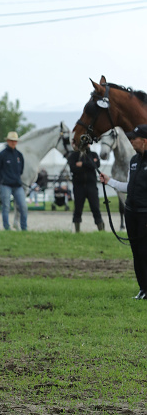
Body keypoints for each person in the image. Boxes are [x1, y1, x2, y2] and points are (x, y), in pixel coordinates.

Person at [99, 123, 147, 299]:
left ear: (144, 141)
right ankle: (143, 288)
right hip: (132, 212)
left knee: (145, 251)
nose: (131, 141)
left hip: (145, 213)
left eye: (134, 138)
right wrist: (109, 181)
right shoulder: (134, 161)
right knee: (136, 252)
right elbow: (129, 187)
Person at [0, 131, 28, 231]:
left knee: (23, 207)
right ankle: (6, 228)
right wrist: (1, 181)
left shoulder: (19, 155)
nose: (13, 143)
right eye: (11, 141)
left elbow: (21, 170)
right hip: (5, 185)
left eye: (15, 141)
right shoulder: (1, 155)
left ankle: (24, 228)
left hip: (17, 185)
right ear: (7, 141)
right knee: (6, 207)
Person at [67, 144, 105, 232]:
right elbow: (73, 168)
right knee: (78, 209)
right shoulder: (74, 156)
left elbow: (96, 165)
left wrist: (82, 164)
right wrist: (90, 164)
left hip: (91, 186)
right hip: (78, 186)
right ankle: (77, 230)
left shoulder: (93, 154)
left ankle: (101, 229)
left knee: (95, 208)